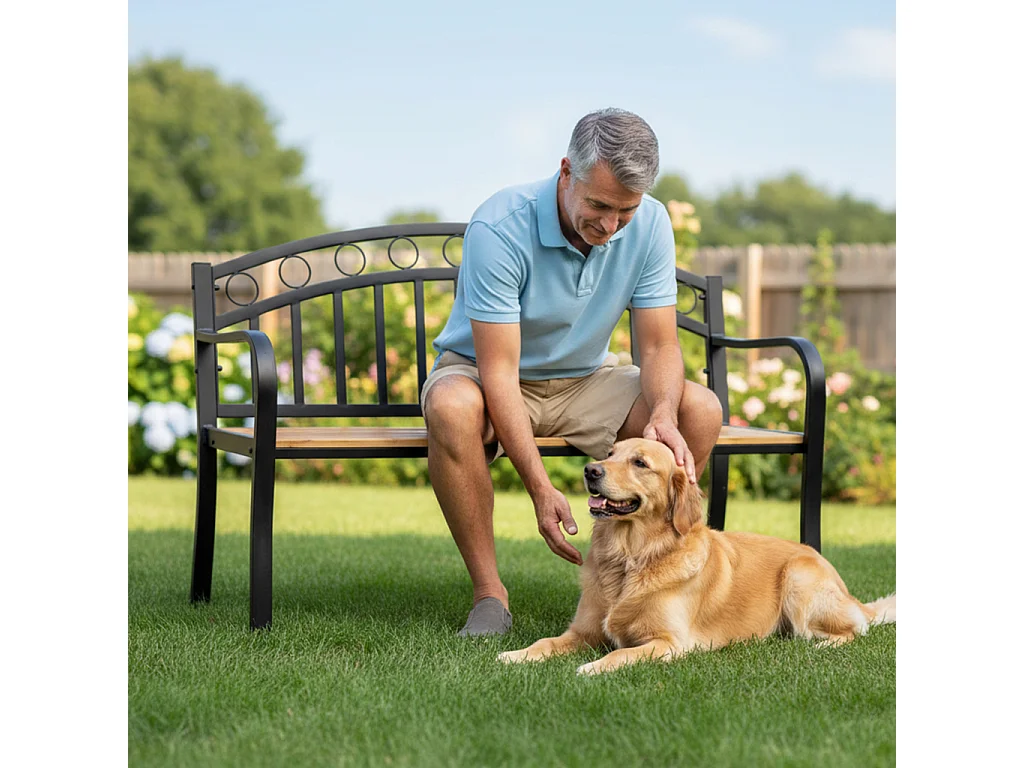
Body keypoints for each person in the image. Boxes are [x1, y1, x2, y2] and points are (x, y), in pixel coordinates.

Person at [420, 108, 724, 637]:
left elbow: (658, 345)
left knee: (699, 409)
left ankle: (652, 582)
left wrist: (663, 413)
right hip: (487, 376)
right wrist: (541, 489)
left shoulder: (651, 223)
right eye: (599, 205)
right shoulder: (500, 226)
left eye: (625, 211)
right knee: (450, 407)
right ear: (567, 172)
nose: (610, 226)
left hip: (585, 379)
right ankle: (489, 595)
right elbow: (500, 371)